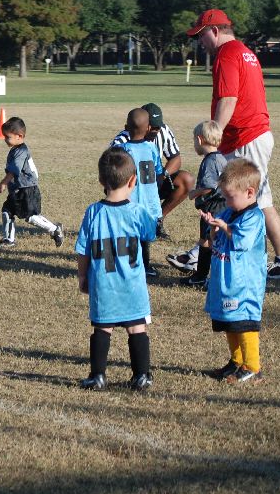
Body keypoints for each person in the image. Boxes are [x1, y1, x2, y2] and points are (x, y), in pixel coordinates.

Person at [186, 8, 280, 279]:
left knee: (254, 200)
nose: (200, 42)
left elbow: (228, 99)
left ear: (215, 31)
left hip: (245, 137)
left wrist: (213, 135)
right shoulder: (245, 52)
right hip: (250, 135)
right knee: (230, 196)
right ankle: (201, 252)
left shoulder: (226, 54)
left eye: (201, 35)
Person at [75, 147, 157, 391]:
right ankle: (141, 376)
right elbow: (150, 233)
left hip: (104, 283)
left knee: (103, 327)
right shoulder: (137, 211)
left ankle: (98, 376)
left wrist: (82, 275)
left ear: (101, 181)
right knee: (137, 327)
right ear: (133, 181)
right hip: (132, 284)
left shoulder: (93, 212)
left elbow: (83, 250)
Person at [199, 159, 267, 384]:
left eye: (230, 197)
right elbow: (216, 240)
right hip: (226, 281)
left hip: (244, 285)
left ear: (250, 193)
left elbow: (242, 241)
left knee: (244, 322)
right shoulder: (229, 212)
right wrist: (213, 226)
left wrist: (226, 228)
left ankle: (253, 366)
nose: (226, 202)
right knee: (229, 321)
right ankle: (236, 361)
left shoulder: (254, 217)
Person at [110, 102, 194, 239]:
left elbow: (176, 159)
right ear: (144, 125)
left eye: (157, 127)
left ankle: (157, 221)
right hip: (131, 189)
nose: (155, 131)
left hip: (153, 182)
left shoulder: (164, 131)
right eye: (152, 127)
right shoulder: (122, 141)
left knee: (186, 180)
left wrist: (162, 176)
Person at [0, 117, 64, 249]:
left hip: (27, 189)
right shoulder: (16, 149)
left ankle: (55, 229)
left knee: (31, 217)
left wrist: (3, 183)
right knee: (7, 211)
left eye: (7, 137)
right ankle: (9, 239)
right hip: (17, 189)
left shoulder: (21, 151)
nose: (5, 139)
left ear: (19, 136)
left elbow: (14, 170)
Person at [172, 121, 228, 288]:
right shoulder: (220, 157)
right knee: (215, 240)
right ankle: (213, 275)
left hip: (212, 207)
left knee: (206, 241)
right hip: (223, 205)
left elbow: (209, 186)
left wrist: (193, 193)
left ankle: (200, 277)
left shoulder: (210, 161)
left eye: (194, 140)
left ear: (199, 139)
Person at [117, 108, 162, 277]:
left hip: (129, 201)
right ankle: (146, 267)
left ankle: (128, 266)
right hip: (149, 202)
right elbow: (158, 171)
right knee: (144, 238)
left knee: (128, 235)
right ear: (149, 128)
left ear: (126, 128)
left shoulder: (122, 149)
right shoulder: (152, 148)